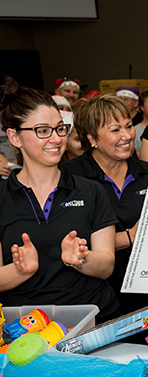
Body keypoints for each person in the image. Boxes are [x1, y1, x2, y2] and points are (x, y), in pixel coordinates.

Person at [0, 75, 120, 323]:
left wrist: (80, 259)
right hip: (26, 333)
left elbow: (107, 264)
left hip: (94, 324)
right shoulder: (2, 198)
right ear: (15, 137)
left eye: (60, 128)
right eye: (42, 131)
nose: (56, 139)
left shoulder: (91, 191)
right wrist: (21, 270)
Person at [64, 93, 148, 314]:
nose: (127, 136)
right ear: (92, 138)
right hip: (96, 298)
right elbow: (72, 245)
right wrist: (131, 236)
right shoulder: (70, 179)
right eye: (116, 130)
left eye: (129, 126)